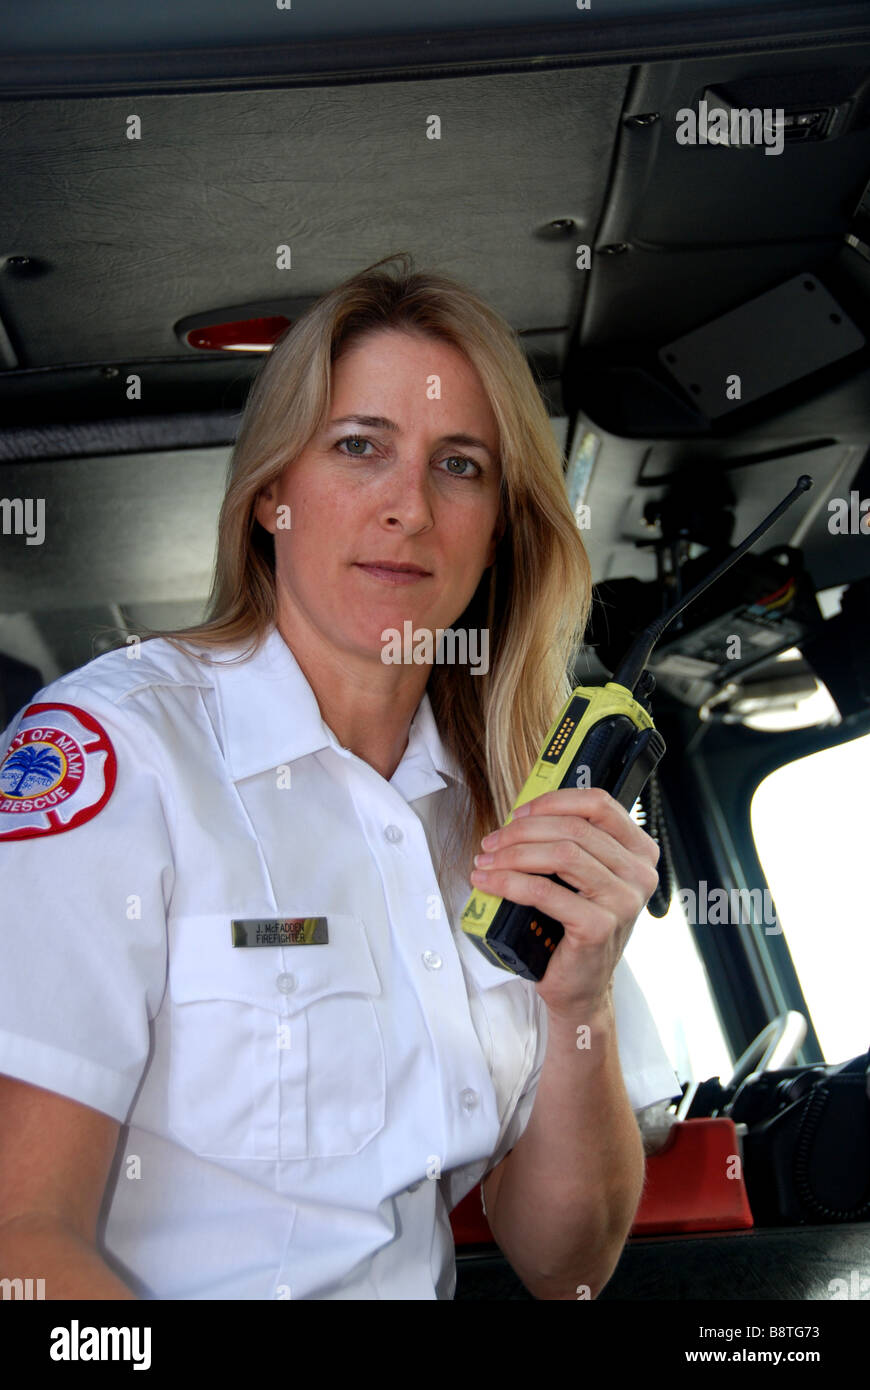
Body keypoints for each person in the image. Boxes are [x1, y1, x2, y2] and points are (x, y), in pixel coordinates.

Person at [0, 253, 680, 1301]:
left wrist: (577, 1000)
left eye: (460, 465)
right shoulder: (119, 749)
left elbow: (568, 1265)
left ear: (499, 528)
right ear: (273, 492)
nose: (407, 505)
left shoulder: (514, 804)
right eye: (360, 447)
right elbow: (19, 1246)